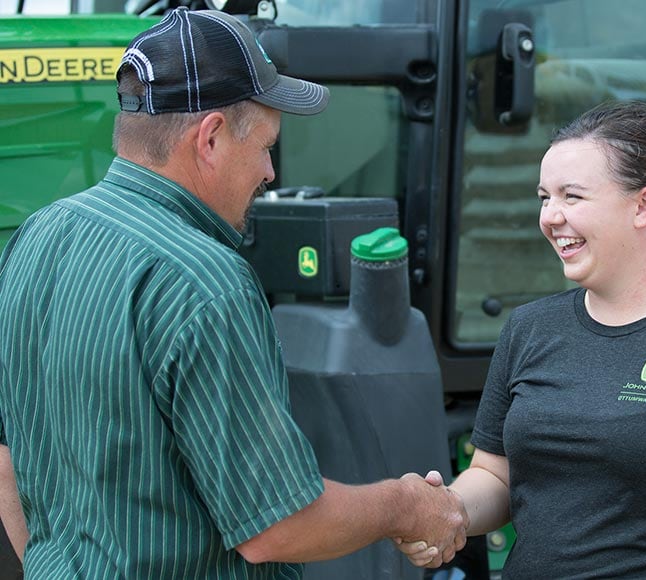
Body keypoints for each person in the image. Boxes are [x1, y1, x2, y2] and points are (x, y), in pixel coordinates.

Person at [0, 7, 467, 578]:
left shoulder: (36, 237)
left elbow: (6, 457)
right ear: (212, 138)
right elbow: (277, 525)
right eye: (266, 145)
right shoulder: (204, 282)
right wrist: (405, 504)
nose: (270, 171)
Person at [399, 100, 646, 577]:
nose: (550, 216)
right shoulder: (529, 329)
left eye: (571, 197)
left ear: (643, 205)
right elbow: (494, 475)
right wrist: (449, 509)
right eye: (543, 197)